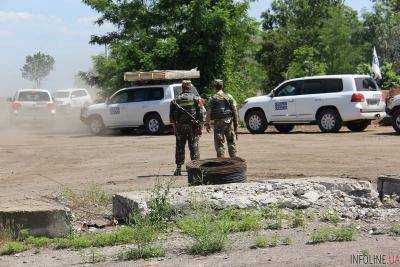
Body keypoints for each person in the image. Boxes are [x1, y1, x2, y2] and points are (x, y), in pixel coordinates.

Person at [170, 80, 204, 175]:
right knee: (194, 147)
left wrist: (175, 128)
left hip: (180, 127)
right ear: (190, 87)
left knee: (180, 147)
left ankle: (178, 169)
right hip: (193, 127)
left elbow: (172, 117)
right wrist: (200, 127)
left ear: (182, 87)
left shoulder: (175, 100)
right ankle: (196, 169)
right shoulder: (196, 99)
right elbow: (201, 114)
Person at [205, 79, 239, 158]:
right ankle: (233, 161)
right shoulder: (229, 96)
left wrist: (207, 124)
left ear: (214, 87)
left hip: (218, 124)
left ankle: (222, 163)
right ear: (222, 86)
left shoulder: (212, 98)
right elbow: (234, 109)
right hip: (229, 122)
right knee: (231, 142)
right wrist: (236, 123)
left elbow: (209, 112)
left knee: (219, 144)